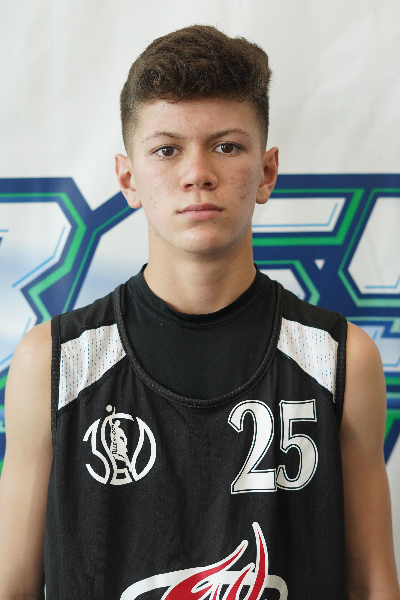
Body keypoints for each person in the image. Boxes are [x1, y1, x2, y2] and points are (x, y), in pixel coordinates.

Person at [0, 24, 399, 600]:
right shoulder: (53, 362)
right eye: (167, 150)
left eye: (227, 146)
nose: (197, 174)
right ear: (128, 178)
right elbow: (11, 586)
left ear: (266, 172)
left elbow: (372, 586)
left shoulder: (340, 359)